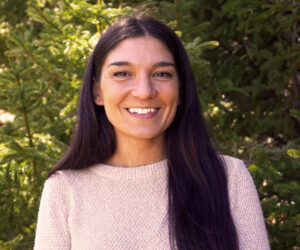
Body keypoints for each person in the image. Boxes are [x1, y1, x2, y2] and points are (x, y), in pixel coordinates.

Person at [34, 16, 270, 250]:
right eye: (123, 73)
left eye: (162, 74)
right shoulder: (65, 190)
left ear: (180, 89)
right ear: (97, 91)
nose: (144, 91)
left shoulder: (229, 179)